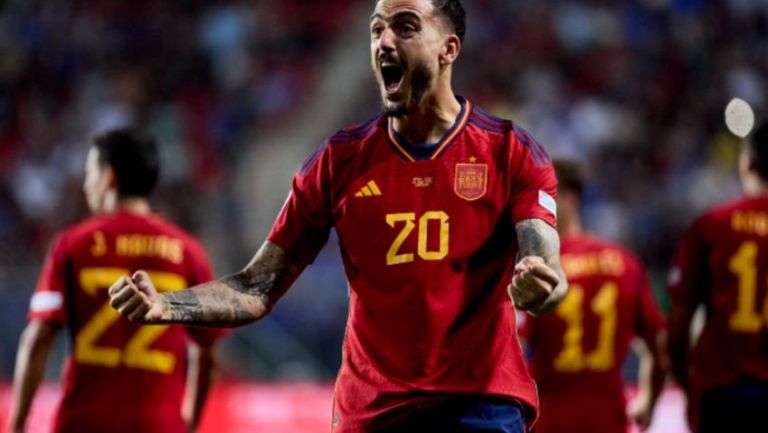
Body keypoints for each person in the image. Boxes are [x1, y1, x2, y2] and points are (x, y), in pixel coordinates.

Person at [108, 1, 567, 432]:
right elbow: (256, 287)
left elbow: (548, 272)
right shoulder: (337, 162)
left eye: (405, 27)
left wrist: (539, 286)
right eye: (376, 30)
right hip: (373, 414)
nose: (385, 41)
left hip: (479, 409)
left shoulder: (510, 151)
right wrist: (168, 305)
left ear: (449, 48)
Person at [7, 129, 226, 433]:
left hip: (84, 424)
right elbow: (207, 355)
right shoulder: (189, 253)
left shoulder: (71, 245)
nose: (86, 185)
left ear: (108, 177)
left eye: (89, 173)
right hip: (159, 426)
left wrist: (17, 424)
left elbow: (37, 339)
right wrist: (188, 422)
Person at [520, 159, 666, 433]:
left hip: (550, 421)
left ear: (569, 198)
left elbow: (512, 348)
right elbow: (659, 348)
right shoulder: (625, 263)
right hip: (609, 420)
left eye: (542, 196)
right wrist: (648, 401)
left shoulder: (537, 269)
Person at [667, 121, 768, 433]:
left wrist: (686, 383)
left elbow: (680, 321)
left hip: (723, 391)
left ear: (747, 164)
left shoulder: (712, 224)